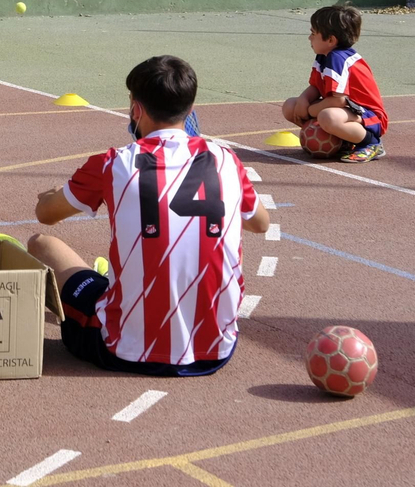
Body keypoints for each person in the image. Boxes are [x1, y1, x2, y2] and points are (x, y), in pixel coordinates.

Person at [26, 55, 270, 377]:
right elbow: (260, 223)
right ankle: (111, 281)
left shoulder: (111, 164)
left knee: (41, 244)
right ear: (191, 107)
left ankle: (105, 284)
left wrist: (53, 193)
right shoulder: (226, 160)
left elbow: (46, 214)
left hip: (122, 350)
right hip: (216, 351)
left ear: (136, 109)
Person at [281, 3, 389, 163]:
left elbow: (338, 100)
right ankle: (344, 140)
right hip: (345, 109)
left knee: (327, 116)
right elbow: (316, 87)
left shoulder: (338, 59)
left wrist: (309, 111)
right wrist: (303, 100)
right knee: (290, 106)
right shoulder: (323, 56)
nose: (309, 38)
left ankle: (371, 143)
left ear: (330, 40)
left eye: (313, 33)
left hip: (368, 116)